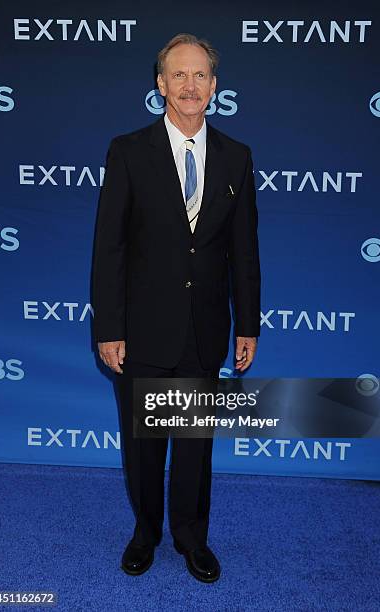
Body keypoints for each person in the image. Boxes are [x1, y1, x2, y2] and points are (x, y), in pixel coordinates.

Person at [92, 33, 261, 583]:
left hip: (204, 329)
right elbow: (109, 246)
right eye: (179, 75)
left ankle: (192, 537)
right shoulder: (128, 150)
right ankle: (145, 532)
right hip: (141, 329)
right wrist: (110, 327)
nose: (190, 86)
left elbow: (244, 250)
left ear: (214, 86)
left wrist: (248, 323)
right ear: (161, 84)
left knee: (193, 448)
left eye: (201, 76)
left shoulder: (237, 156)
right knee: (144, 447)